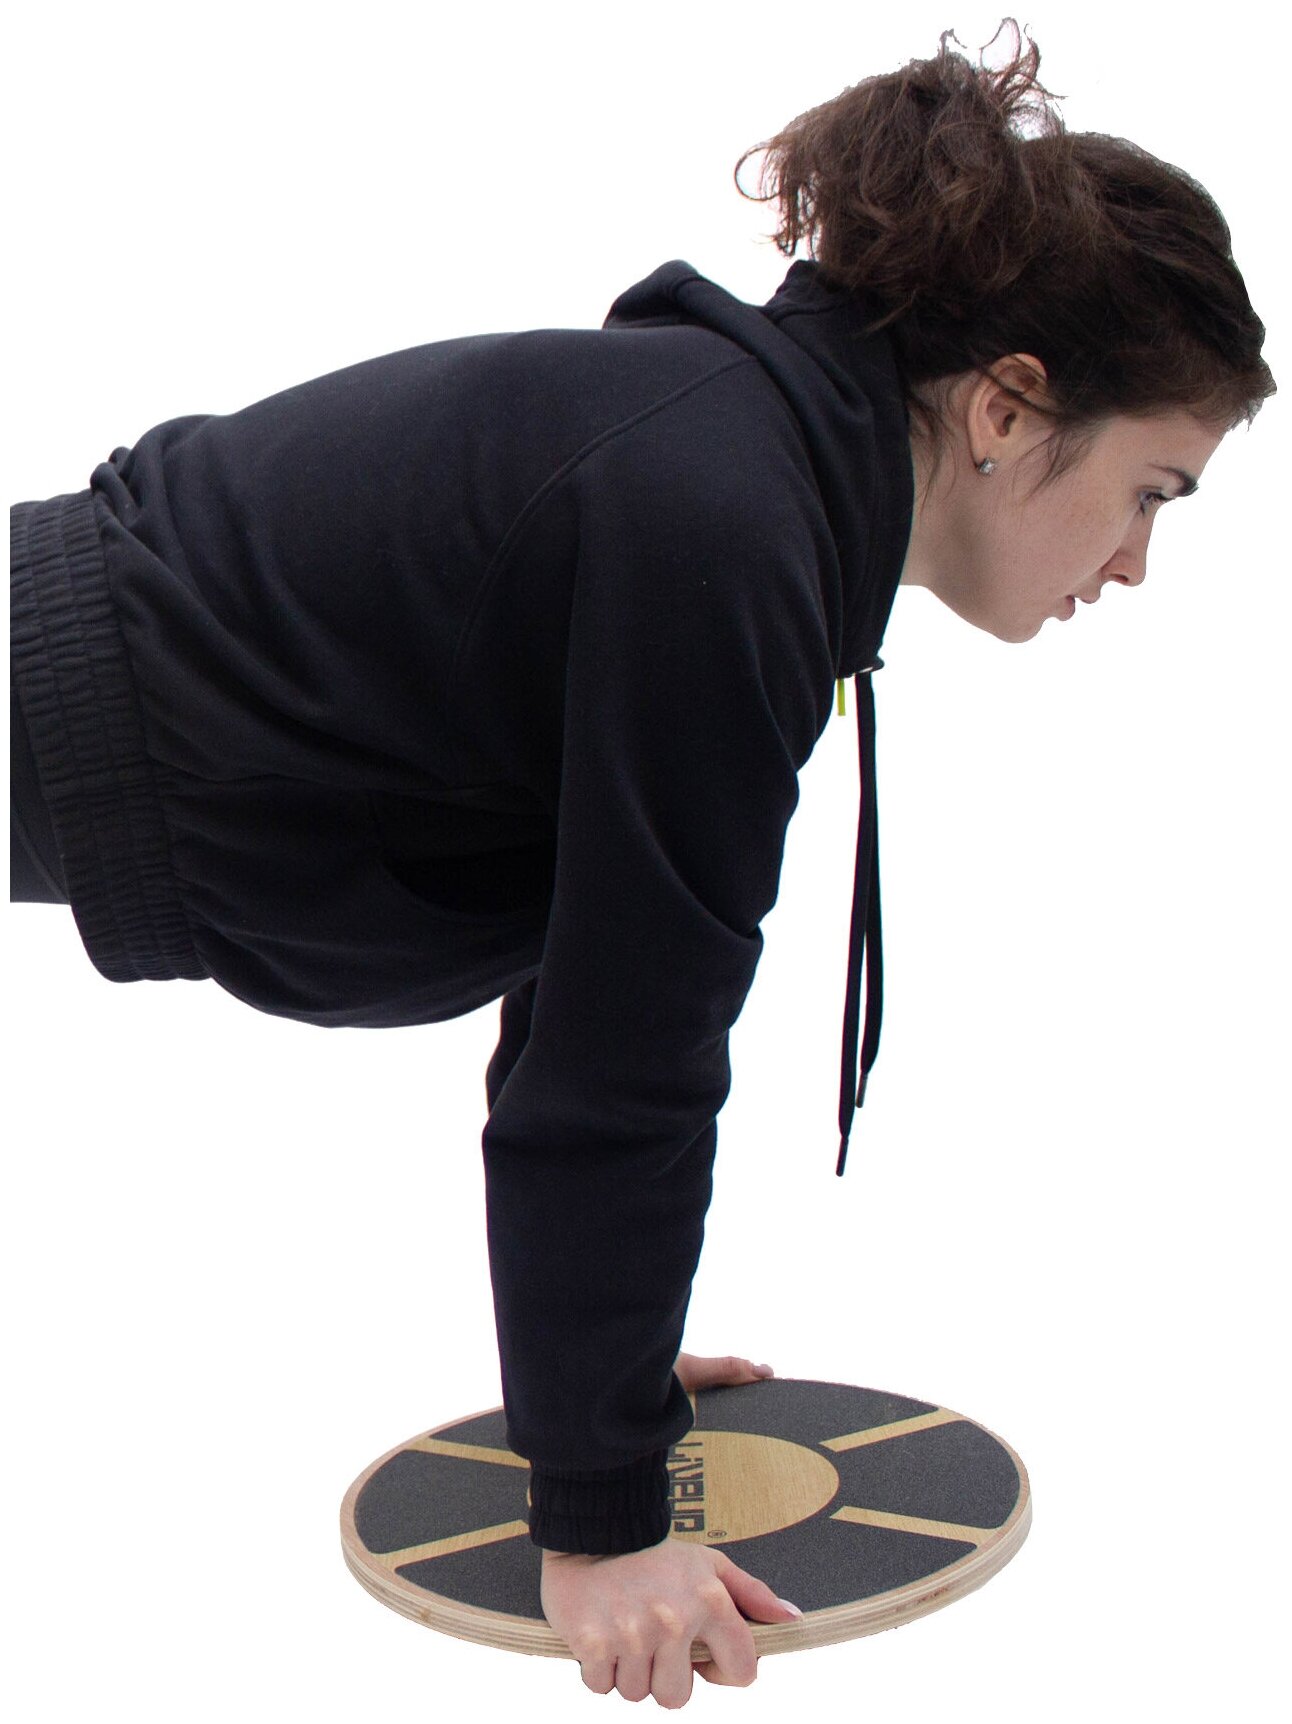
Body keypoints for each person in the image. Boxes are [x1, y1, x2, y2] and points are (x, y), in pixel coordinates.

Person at [7, 15, 1273, 1712]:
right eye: (1151, 493)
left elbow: (588, 987)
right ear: (1004, 406)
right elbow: (625, 1055)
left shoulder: (745, 473)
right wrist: (602, 1514)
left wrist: (594, 1384)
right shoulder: (729, 528)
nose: (1133, 566)